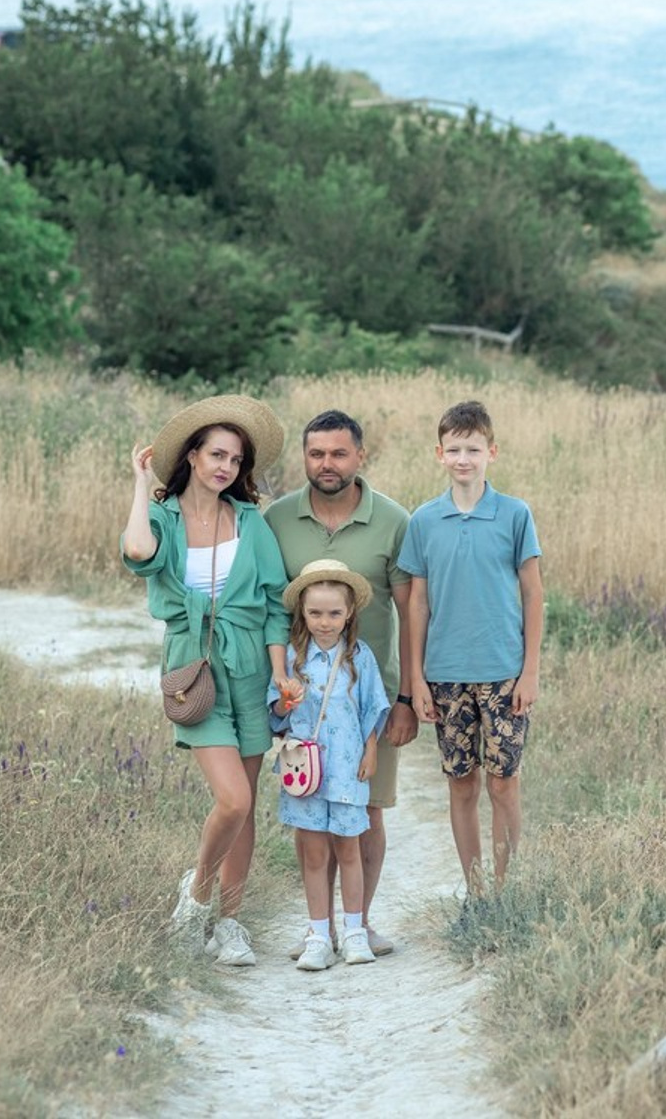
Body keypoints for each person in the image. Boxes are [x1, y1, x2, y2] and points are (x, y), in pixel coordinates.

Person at [121, 394, 291, 966]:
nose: (226, 467)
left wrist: (280, 676)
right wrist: (142, 484)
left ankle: (231, 923)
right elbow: (138, 552)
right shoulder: (165, 518)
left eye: (236, 460)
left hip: (248, 668)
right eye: (216, 454)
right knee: (232, 797)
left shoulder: (249, 522)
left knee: (245, 805)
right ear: (192, 456)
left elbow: (273, 606)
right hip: (194, 668)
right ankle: (194, 900)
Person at [264, 409, 415, 956]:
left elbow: (410, 611)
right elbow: (266, 606)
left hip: (366, 703)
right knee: (309, 818)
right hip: (299, 706)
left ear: (360, 456)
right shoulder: (277, 520)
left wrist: (406, 697)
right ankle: (317, 930)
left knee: (366, 811)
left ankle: (359, 925)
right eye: (316, 454)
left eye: (338, 453)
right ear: (305, 458)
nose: (327, 464)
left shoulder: (394, 521)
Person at [398, 400, 543, 893]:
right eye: (455, 449)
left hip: (503, 670)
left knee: (504, 782)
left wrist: (530, 670)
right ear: (439, 454)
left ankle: (505, 889)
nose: (464, 458)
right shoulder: (424, 521)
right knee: (462, 782)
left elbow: (532, 592)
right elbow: (417, 603)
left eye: (474, 449)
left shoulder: (514, 514)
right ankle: (476, 890)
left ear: (492, 452)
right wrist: (416, 678)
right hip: (445, 672)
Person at [270, 559, 391, 971]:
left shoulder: (360, 657)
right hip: (305, 771)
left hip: (346, 769)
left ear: (350, 612)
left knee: (350, 848)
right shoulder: (292, 657)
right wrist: (286, 701)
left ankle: (355, 931)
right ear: (303, 613)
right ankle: (319, 934)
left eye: (334, 613)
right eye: (315, 613)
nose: (325, 622)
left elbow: (371, 707)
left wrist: (371, 749)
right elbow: (278, 712)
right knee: (315, 854)